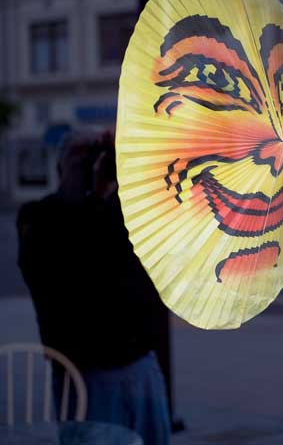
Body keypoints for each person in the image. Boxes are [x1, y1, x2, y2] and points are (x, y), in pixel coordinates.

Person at [17, 131, 171, 445]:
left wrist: (125, 168)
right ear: (60, 167)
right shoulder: (39, 217)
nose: (91, 164)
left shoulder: (123, 213)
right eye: (80, 156)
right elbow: (62, 267)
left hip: (142, 366)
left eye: (95, 156)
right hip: (84, 375)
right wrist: (91, 195)